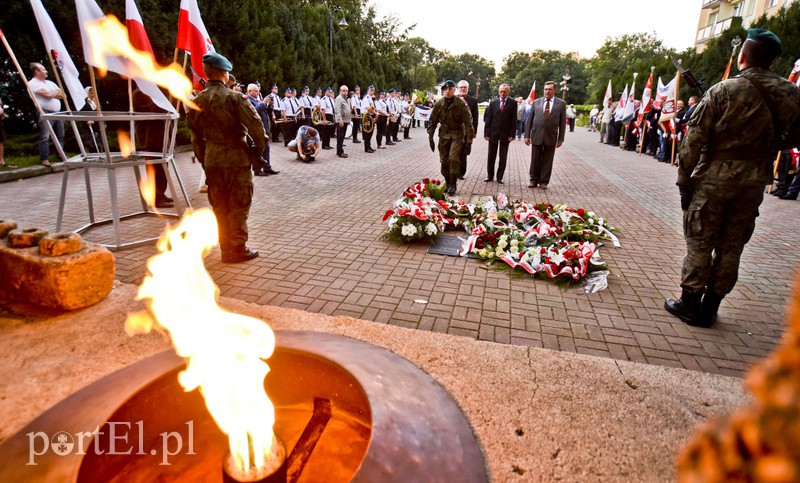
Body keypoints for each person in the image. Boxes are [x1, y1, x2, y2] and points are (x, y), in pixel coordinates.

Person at [665, 29, 800, 328]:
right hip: (753, 183)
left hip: (714, 180)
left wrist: (684, 180)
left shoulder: (724, 90)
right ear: (772, 59)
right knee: (732, 245)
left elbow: (693, 142)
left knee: (701, 241)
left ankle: (689, 304)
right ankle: (711, 306)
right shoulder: (792, 94)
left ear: (743, 56)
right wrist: (767, 145)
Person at [187, 52, 266, 264]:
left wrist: (205, 160)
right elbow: (257, 129)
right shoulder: (235, 98)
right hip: (236, 158)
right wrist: (256, 153)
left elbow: (196, 139)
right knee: (239, 204)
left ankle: (225, 249)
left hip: (213, 159)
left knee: (219, 206)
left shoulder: (197, 101)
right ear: (224, 73)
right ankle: (238, 248)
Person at [428, 80, 474, 196]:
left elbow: (468, 123)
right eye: (445, 89)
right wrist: (430, 137)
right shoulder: (439, 104)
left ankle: (453, 183)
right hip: (444, 135)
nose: (448, 91)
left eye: (450, 89)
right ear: (443, 90)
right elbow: (433, 121)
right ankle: (448, 182)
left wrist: (469, 142)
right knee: (444, 160)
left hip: (457, 134)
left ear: (454, 90)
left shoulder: (460, 103)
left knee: (453, 158)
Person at [133, 88, 174, 208]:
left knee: (162, 168)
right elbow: (155, 109)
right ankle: (156, 198)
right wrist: (167, 97)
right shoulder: (139, 94)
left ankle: (161, 193)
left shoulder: (154, 92)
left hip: (161, 137)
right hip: (149, 138)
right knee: (154, 169)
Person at [524, 81, 566, 189]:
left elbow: (562, 123)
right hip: (536, 135)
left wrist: (561, 138)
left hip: (551, 136)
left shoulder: (561, 104)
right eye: (545, 89)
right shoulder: (536, 102)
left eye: (550, 89)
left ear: (554, 90)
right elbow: (529, 120)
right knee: (535, 159)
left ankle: (544, 181)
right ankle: (533, 180)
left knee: (548, 160)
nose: (547, 91)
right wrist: (526, 135)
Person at [29, 63, 65, 167]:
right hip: (45, 111)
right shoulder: (32, 83)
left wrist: (51, 94)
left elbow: (63, 95)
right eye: (43, 69)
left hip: (58, 112)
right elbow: (47, 95)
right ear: (37, 72)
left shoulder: (50, 83)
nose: (46, 71)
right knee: (45, 136)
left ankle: (61, 155)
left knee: (60, 135)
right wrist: (54, 93)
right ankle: (44, 158)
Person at [483, 83, 517, 184]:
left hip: (505, 134)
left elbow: (514, 119)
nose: (502, 93)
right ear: (498, 92)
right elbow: (489, 119)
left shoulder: (513, 103)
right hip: (493, 133)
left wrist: (512, 134)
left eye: (504, 92)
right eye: (501, 91)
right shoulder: (493, 103)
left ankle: (500, 177)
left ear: (508, 92)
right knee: (491, 156)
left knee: (503, 157)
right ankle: (490, 175)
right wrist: (486, 133)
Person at [252, 93, 279, 176]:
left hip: (264, 129)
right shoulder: (249, 100)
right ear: (249, 91)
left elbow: (267, 111)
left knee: (266, 149)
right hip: (257, 130)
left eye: (258, 91)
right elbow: (254, 111)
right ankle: (257, 169)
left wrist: (270, 105)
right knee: (257, 151)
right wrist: (263, 103)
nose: (257, 93)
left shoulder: (258, 100)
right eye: (255, 91)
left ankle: (267, 167)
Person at [457, 80, 478, 180]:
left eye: (464, 87)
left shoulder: (473, 101)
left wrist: (474, 131)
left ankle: (461, 172)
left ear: (468, 89)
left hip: (466, 132)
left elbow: (475, 117)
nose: (463, 89)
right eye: (461, 87)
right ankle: (453, 171)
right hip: (454, 131)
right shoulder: (452, 99)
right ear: (457, 88)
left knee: (463, 152)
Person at [79, 86, 101, 153]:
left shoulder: (96, 101)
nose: (93, 95)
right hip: (88, 124)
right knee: (88, 141)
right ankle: (87, 154)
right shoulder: (84, 102)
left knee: (99, 141)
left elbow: (100, 112)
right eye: (91, 93)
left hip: (97, 123)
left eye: (94, 93)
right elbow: (82, 112)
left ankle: (101, 153)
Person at [334, 85, 351, 158]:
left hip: (346, 120)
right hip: (341, 120)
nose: (345, 92)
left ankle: (339, 150)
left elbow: (348, 110)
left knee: (343, 136)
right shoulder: (339, 98)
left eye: (346, 91)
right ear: (340, 91)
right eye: (343, 90)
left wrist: (349, 119)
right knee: (340, 136)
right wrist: (339, 120)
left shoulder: (347, 99)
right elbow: (337, 110)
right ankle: (340, 152)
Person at [361, 86, 376, 153]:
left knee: (370, 132)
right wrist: (375, 113)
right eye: (371, 91)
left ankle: (369, 146)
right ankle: (367, 148)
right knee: (367, 132)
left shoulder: (370, 98)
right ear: (367, 91)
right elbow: (368, 108)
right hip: (367, 116)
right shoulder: (366, 98)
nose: (372, 92)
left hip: (370, 115)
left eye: (373, 91)